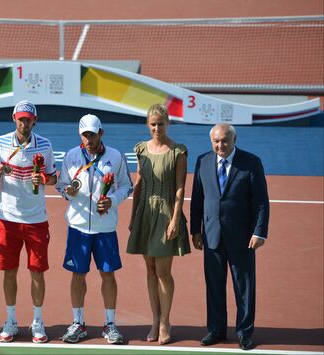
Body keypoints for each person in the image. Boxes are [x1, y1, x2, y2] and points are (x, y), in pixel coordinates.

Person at [190, 123, 269, 351]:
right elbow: (197, 199)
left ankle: (244, 333)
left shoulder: (251, 162)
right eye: (216, 141)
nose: (220, 145)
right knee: (214, 286)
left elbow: (261, 201)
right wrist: (196, 230)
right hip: (212, 236)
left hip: (242, 237)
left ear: (234, 140)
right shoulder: (203, 161)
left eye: (224, 140)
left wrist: (259, 231)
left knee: (244, 287)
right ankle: (216, 330)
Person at [56, 114, 132, 345]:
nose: (89, 139)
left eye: (92, 134)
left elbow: (127, 186)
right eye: (85, 135)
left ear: (101, 133)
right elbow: (61, 185)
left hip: (105, 227)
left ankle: (110, 324)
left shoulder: (115, 156)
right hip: (78, 227)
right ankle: (78, 323)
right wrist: (66, 192)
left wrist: (113, 201)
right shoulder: (71, 156)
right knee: (78, 275)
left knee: (107, 275)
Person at [0, 100, 57, 344]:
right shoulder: (1, 143)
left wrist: (44, 178)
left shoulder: (45, 145)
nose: (24, 123)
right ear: (13, 119)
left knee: (37, 272)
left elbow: (52, 178)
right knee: (9, 272)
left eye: (28, 119)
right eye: (20, 119)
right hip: (7, 219)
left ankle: (37, 321)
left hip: (36, 220)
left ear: (34, 120)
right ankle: (11, 320)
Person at [126, 104, 190, 345]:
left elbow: (181, 187)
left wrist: (175, 218)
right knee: (150, 269)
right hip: (144, 214)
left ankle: (165, 321)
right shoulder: (141, 149)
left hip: (166, 214)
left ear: (167, 124)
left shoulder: (178, 152)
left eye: (160, 124)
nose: (156, 128)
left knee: (163, 272)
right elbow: (139, 183)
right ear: (147, 125)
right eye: (152, 124)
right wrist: (133, 217)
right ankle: (155, 319)